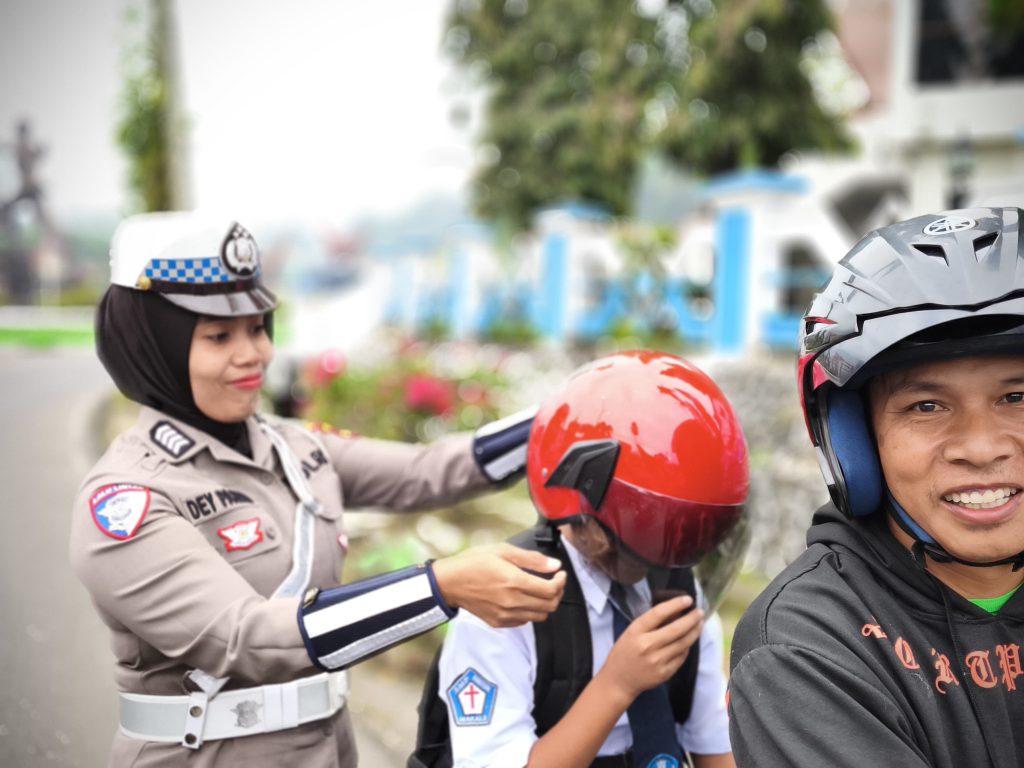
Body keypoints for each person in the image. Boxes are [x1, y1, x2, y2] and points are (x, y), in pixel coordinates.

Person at [69, 212, 567, 767]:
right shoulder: (127, 498)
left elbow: (429, 470)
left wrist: (572, 407)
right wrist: (441, 588)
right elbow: (245, 638)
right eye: (218, 336)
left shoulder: (293, 447)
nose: (252, 354)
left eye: (258, 327)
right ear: (151, 348)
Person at [727, 206, 1024, 767]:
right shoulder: (809, 648)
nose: (982, 448)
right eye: (927, 406)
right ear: (855, 442)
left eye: (1017, 397)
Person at [415, 350, 748, 768]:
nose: (664, 560)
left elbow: (715, 749)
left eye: (685, 537)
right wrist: (618, 684)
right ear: (580, 514)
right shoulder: (503, 607)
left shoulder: (678, 591)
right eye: (647, 531)